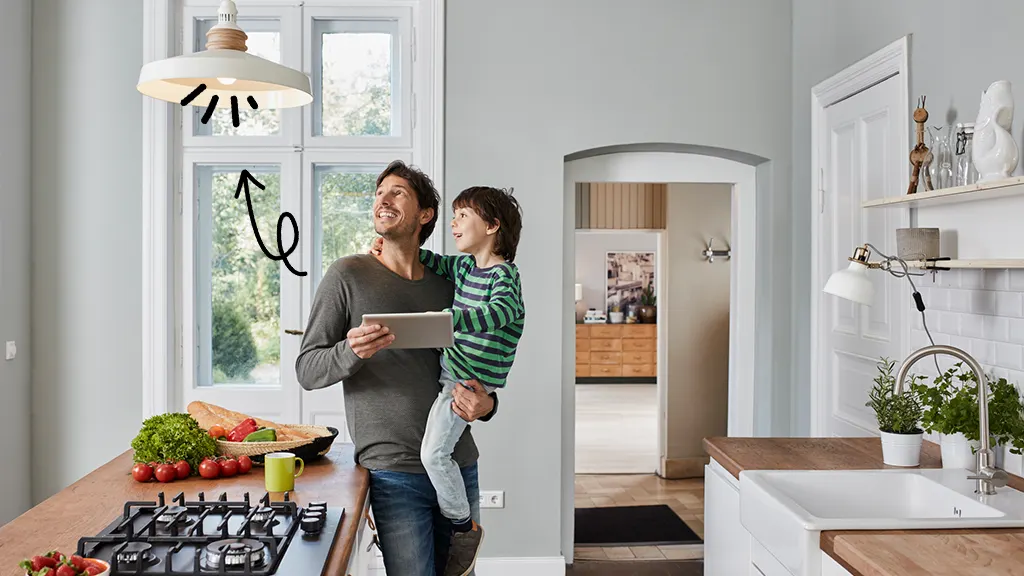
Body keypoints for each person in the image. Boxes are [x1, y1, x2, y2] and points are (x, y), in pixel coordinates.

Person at [295, 160, 500, 576]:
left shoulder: (453, 282)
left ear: (425, 215)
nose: (382, 200)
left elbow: (484, 356)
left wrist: (489, 404)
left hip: (457, 463)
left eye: (398, 192)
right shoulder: (347, 275)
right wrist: (350, 351)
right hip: (392, 474)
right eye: (378, 193)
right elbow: (308, 369)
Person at [372, 186, 524, 576]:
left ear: (492, 226)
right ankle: (459, 523)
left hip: (463, 384)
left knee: (433, 455)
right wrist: (385, 250)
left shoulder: (504, 277)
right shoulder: (465, 268)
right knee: (435, 453)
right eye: (453, 215)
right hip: (454, 375)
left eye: (462, 216)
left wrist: (447, 323)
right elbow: (432, 261)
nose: (453, 223)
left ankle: (462, 528)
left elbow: (501, 312)